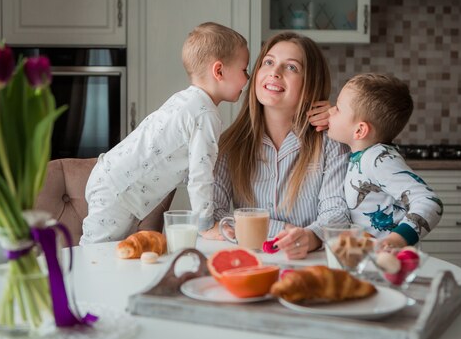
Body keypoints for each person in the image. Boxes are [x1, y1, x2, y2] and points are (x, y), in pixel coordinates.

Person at [80, 22, 250, 244]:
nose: (247, 79)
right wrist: (205, 225)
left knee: (113, 254)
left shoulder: (185, 99)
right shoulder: (205, 115)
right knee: (94, 254)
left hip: (113, 182)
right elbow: (200, 176)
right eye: (244, 70)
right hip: (119, 192)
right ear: (218, 71)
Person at [204, 32, 350, 260]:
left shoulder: (331, 143)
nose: (275, 72)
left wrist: (310, 238)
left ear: (311, 84)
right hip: (249, 261)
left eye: (291, 67)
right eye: (268, 62)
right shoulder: (229, 145)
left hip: (309, 263)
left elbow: (336, 213)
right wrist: (281, 231)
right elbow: (214, 213)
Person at [327, 73, 443, 248]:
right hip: (368, 260)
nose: (329, 111)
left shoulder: (378, 159)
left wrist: (396, 240)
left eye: (337, 108)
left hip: (390, 264)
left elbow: (429, 201)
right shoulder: (361, 154)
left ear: (359, 131)